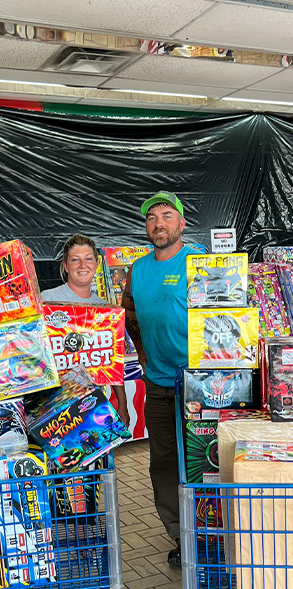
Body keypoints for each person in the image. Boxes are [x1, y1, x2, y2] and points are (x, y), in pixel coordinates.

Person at [122, 191, 205, 566]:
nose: (158, 223)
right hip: (157, 384)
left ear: (182, 223)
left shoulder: (200, 260)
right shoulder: (137, 270)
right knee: (164, 464)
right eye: (152, 217)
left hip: (203, 384)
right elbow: (131, 316)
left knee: (203, 461)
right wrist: (142, 355)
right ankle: (182, 537)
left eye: (167, 216)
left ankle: (212, 535)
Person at [42, 233, 130, 428]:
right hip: (55, 405)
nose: (83, 265)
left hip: (95, 403)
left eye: (88, 259)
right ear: (66, 266)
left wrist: (123, 405)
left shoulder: (106, 310)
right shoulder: (48, 300)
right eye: (75, 260)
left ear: (96, 263)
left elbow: (113, 363)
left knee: (99, 457)